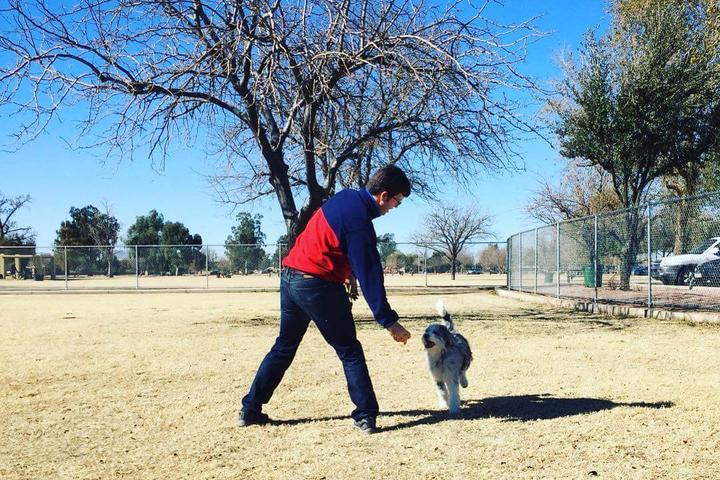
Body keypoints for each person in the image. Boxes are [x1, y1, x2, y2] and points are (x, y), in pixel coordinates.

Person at [239, 164, 412, 434]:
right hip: (316, 284)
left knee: (283, 347)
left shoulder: (345, 198)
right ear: (383, 195)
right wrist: (389, 322)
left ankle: (250, 409)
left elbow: (328, 240)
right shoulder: (360, 222)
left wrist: (346, 271)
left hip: (290, 278)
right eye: (397, 202)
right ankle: (365, 415)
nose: (393, 208)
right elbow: (371, 274)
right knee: (350, 351)